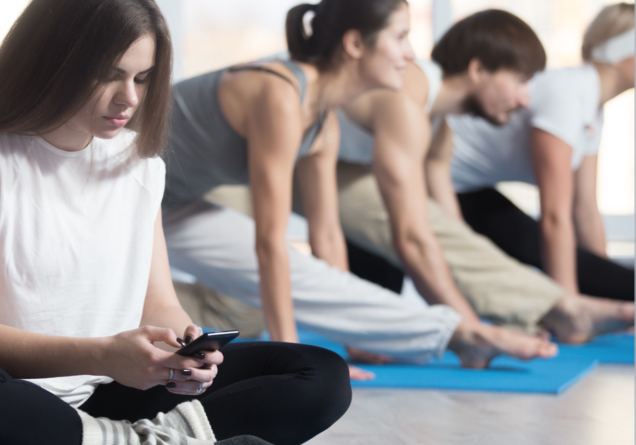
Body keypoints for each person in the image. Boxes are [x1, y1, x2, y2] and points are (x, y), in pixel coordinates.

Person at [0, 1, 352, 444]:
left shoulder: (138, 163)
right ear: (50, 61)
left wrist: (185, 349)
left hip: (104, 397)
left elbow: (157, 301)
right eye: (110, 75)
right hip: (13, 400)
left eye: (142, 77)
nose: (130, 98)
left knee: (321, 373)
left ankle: (125, 440)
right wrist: (104, 355)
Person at [163, 0, 558, 375]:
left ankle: (461, 336)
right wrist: (292, 360)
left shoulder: (323, 120)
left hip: (175, 207)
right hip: (121, 194)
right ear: (354, 44)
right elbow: (269, 242)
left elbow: (328, 235)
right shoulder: (282, 95)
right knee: (270, 270)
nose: (410, 54)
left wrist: (352, 337)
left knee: (300, 271)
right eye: (400, 37)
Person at [333, 8, 633, 352]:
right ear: (477, 70)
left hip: (344, 170)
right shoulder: (409, 99)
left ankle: (560, 311)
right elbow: (412, 238)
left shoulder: (439, 131)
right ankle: (559, 312)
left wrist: (480, 317)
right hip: (315, 170)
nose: (525, 99)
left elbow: (455, 237)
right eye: (521, 81)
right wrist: (473, 331)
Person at [449, 3, 635, 303]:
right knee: (531, 240)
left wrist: (608, 295)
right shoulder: (568, 93)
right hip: (447, 184)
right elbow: (554, 216)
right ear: (622, 52)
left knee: (621, 285)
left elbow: (585, 210)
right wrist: (574, 311)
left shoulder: (592, 108)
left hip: (470, 189)